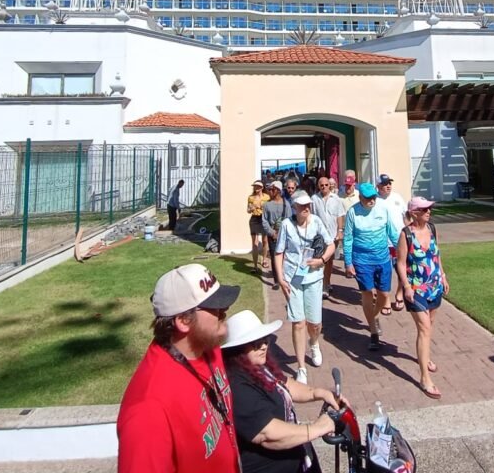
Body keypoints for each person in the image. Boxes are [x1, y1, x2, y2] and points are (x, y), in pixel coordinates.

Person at [118, 263, 241, 473]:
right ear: (184, 321)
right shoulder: (148, 409)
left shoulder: (207, 348)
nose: (225, 311)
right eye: (216, 308)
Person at [222, 309, 348, 473]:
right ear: (237, 350)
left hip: (295, 457)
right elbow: (268, 434)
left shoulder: (259, 366)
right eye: (255, 343)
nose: (263, 346)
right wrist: (316, 428)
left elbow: (285, 384)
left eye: (264, 340)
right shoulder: (237, 387)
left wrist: (319, 393)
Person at [274, 191, 334, 384]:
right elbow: (279, 252)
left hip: (314, 277)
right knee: (298, 322)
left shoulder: (316, 221)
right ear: (294, 207)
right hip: (293, 279)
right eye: (301, 206)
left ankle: (314, 343)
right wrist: (281, 278)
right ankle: (301, 367)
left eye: (308, 205)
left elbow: (330, 244)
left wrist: (321, 260)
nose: (305, 208)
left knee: (314, 323)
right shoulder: (286, 225)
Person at [396, 196, 449, 399]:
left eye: (430, 208)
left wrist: (443, 276)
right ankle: (424, 378)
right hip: (416, 289)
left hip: (434, 285)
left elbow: (437, 255)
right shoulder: (406, 234)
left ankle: (425, 356)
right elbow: (400, 263)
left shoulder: (432, 229)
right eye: (425, 209)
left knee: (430, 323)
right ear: (415, 212)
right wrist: (406, 287)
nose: (429, 211)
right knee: (424, 328)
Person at [343, 182, 400, 351]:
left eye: (374, 197)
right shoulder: (353, 212)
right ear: (360, 197)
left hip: (382, 259)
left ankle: (372, 316)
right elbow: (348, 238)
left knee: (383, 295)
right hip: (362, 261)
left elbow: (393, 233)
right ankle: (373, 332)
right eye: (368, 198)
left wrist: (403, 252)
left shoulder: (383, 209)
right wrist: (348, 262)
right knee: (367, 293)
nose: (372, 201)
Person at [376, 174, 408, 312]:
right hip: (382, 243)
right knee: (384, 272)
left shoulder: (397, 198)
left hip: (398, 242)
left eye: (389, 183)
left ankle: (399, 294)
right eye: (384, 184)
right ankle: (386, 299)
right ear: (378, 186)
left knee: (402, 269)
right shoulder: (375, 200)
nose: (388, 186)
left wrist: (409, 234)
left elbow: (406, 217)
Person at [310, 176, 345, 298]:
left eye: (326, 185)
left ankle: (326, 283)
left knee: (329, 260)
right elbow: (312, 216)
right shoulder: (314, 199)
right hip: (319, 235)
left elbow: (340, 215)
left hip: (332, 234)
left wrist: (340, 231)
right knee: (320, 260)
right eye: (321, 185)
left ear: (329, 186)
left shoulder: (336, 199)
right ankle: (320, 282)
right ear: (318, 186)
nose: (324, 187)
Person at [262, 181, 291, 291]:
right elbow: (264, 221)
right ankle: (276, 280)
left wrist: (283, 233)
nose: (270, 192)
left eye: (272, 190)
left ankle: (285, 277)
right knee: (275, 257)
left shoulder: (286, 204)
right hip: (272, 235)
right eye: (269, 189)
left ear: (278, 191)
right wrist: (271, 232)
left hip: (284, 234)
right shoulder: (267, 205)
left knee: (285, 256)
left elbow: (289, 219)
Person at [247, 181, 272, 273]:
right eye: (255, 186)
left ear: (262, 188)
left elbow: (269, 208)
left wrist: (261, 206)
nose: (256, 188)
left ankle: (264, 260)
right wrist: (251, 208)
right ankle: (255, 266)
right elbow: (248, 210)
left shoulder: (267, 197)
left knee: (265, 240)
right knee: (255, 242)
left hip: (264, 219)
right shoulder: (251, 197)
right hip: (254, 219)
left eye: (258, 186)